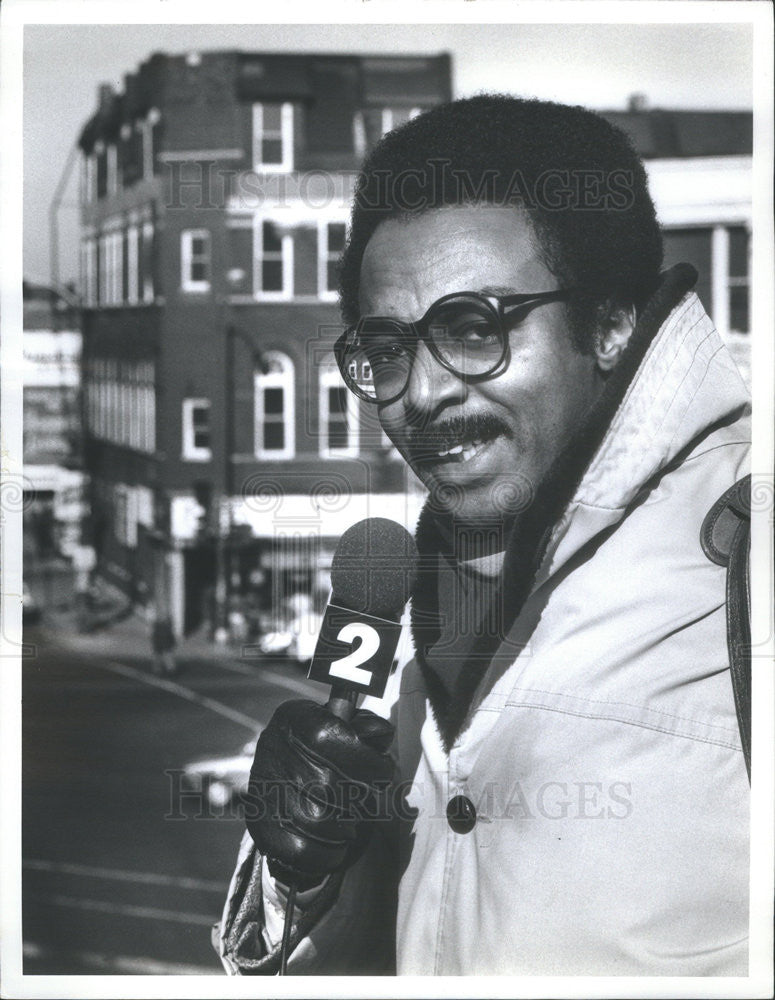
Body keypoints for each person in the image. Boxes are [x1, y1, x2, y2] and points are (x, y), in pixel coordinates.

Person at [214, 95, 750, 976]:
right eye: (387, 348)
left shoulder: (743, 555)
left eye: (474, 329)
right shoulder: (409, 602)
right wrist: (305, 875)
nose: (421, 395)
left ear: (612, 321)